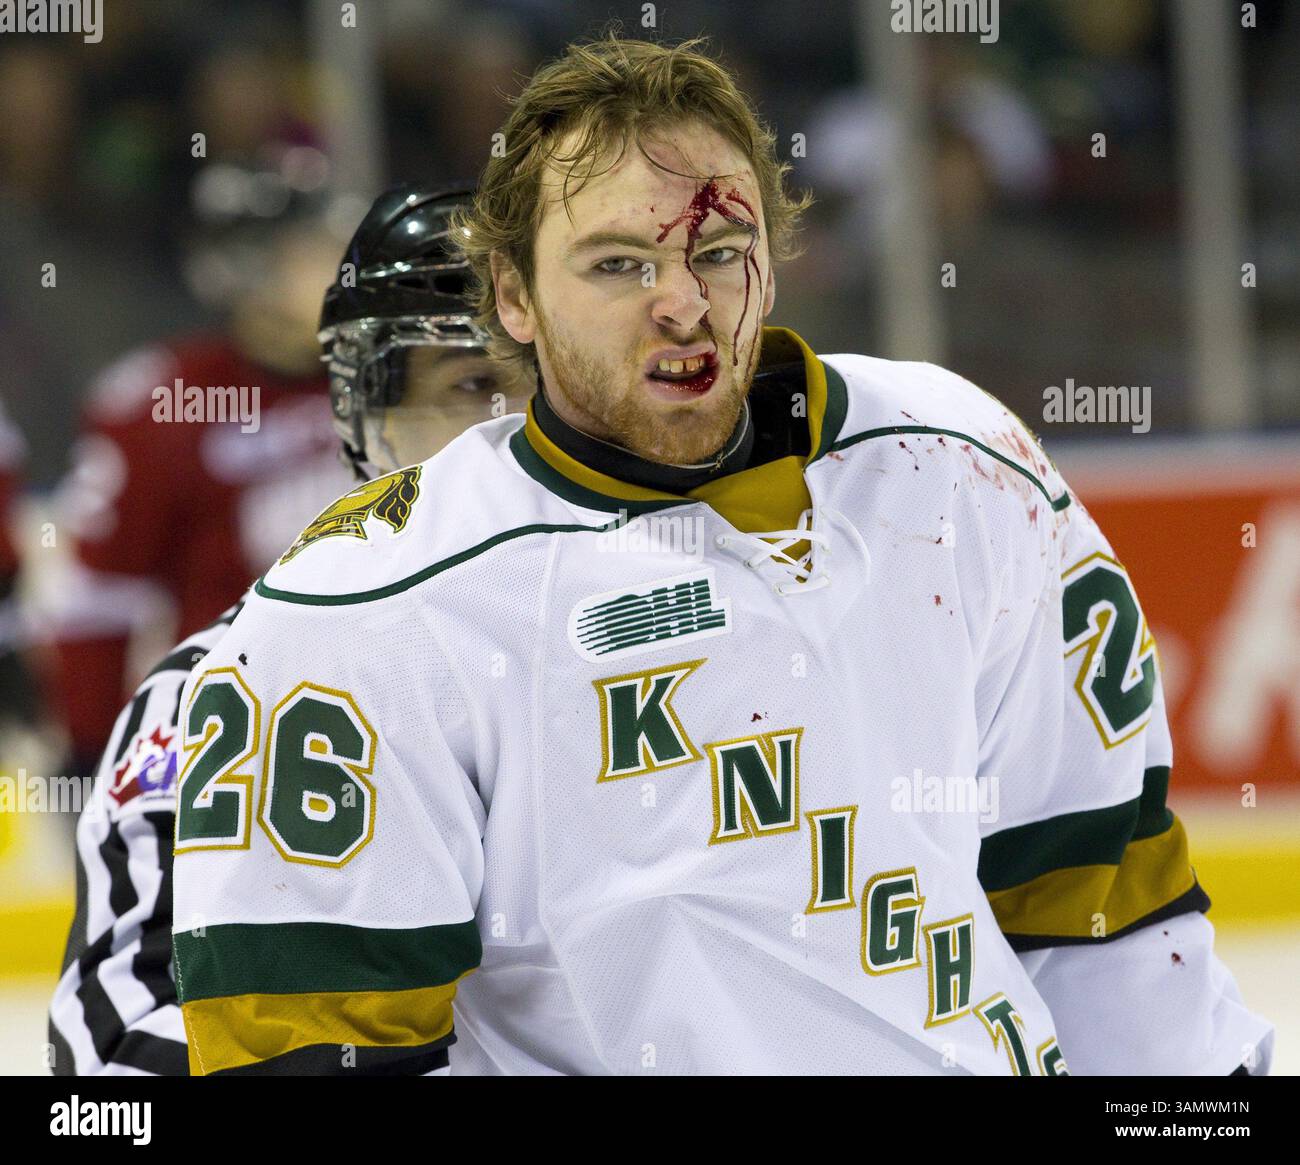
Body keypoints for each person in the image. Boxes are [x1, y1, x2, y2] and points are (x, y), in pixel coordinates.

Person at [171, 35, 1273, 1076]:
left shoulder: (957, 468)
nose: (684, 303)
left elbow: (1101, 916)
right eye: (616, 263)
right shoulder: (370, 608)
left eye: (718, 249)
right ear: (510, 295)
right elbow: (308, 1051)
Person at [47, 185, 530, 1075]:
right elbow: (114, 1060)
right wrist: (82, 740)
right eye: (470, 386)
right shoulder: (211, 698)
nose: (511, 428)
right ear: (369, 411)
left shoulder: (698, 622)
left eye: (544, 385)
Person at [47, 149, 356, 787]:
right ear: (249, 269)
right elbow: (96, 603)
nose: (341, 264)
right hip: (222, 741)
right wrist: (98, 755)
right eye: (311, 248)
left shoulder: (396, 376)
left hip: (378, 706)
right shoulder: (163, 402)